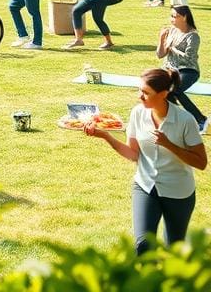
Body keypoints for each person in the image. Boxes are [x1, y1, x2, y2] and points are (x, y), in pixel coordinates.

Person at [83, 68, 206, 255]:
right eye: (140, 90)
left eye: (145, 93)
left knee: (173, 249)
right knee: (142, 246)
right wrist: (105, 136)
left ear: (164, 94)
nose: (140, 96)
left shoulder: (184, 120)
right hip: (145, 185)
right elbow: (133, 154)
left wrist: (169, 144)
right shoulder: (138, 114)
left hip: (178, 191)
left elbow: (201, 162)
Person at [156, 6, 207, 132]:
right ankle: (175, 120)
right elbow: (160, 55)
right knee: (163, 92)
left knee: (175, 90)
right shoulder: (172, 31)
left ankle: (201, 120)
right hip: (169, 69)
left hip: (188, 70)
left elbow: (189, 58)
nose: (171, 19)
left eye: (175, 16)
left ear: (184, 17)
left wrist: (172, 48)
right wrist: (161, 39)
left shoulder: (193, 36)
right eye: (171, 16)